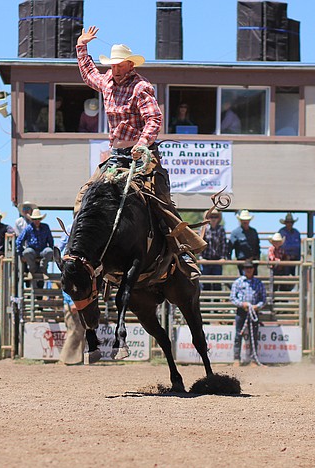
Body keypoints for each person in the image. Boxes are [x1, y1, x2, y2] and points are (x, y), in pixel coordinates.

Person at [74, 26, 205, 272]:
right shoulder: (107, 83)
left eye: (118, 64)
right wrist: (82, 46)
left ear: (130, 65)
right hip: (116, 155)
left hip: (142, 156)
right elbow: (89, 74)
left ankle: (179, 248)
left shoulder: (141, 87)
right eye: (112, 64)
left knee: (158, 200)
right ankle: (82, 248)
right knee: (85, 197)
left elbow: (154, 119)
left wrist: (142, 145)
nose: (114, 68)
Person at [229, 260, 265, 366]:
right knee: (238, 335)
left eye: (250, 268)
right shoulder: (238, 282)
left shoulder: (258, 283)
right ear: (244, 269)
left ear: (253, 269)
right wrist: (242, 304)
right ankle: (236, 358)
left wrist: (257, 306)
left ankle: (253, 359)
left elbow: (263, 298)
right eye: (247, 268)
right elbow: (232, 298)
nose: (249, 270)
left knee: (253, 335)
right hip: (241, 311)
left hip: (254, 311)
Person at [15, 208, 54, 288]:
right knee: (27, 252)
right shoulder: (28, 228)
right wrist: (21, 254)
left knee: (49, 251)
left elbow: (50, 240)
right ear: (32, 219)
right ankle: (32, 270)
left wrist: (51, 252)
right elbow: (19, 240)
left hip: (43, 250)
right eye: (35, 219)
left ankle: (43, 269)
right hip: (32, 251)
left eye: (38, 219)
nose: (36, 221)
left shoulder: (45, 227)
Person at [199, 210, 228, 291]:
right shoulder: (203, 228)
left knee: (217, 283)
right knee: (205, 284)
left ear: (218, 218)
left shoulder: (221, 229)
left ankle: (217, 302)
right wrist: (201, 257)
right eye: (211, 217)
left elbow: (224, 244)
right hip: (205, 260)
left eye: (216, 217)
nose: (214, 219)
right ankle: (206, 302)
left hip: (217, 260)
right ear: (208, 218)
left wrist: (223, 257)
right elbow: (199, 243)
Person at [230, 210, 260, 275]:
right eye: (243, 220)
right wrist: (228, 258)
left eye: (247, 220)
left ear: (249, 221)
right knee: (243, 278)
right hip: (242, 261)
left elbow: (257, 246)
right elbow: (230, 247)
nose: (245, 222)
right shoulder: (235, 233)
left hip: (253, 261)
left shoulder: (253, 232)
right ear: (240, 221)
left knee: (253, 279)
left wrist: (258, 259)